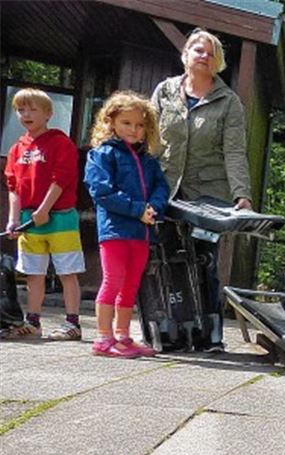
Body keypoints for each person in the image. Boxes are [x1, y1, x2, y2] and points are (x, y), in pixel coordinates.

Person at [151, 28, 252, 351]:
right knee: (164, 258)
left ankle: (211, 335)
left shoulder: (228, 101)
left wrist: (242, 194)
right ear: (186, 54)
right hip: (165, 190)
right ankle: (170, 332)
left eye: (211, 53)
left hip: (209, 195)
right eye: (198, 49)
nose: (204, 56)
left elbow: (234, 151)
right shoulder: (165, 91)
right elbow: (149, 141)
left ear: (218, 61)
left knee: (204, 261)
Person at [84, 91, 170, 358]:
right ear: (111, 122)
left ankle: (122, 336)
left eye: (140, 124)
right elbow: (102, 192)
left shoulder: (148, 160)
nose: (134, 129)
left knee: (131, 284)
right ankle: (103, 338)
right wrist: (137, 210)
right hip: (114, 231)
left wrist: (153, 207)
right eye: (127, 123)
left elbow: (161, 187)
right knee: (113, 281)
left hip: (141, 233)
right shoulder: (102, 154)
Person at [3, 88, 84, 341]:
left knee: (67, 272)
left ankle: (72, 323)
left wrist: (45, 209)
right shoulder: (16, 149)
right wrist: (14, 219)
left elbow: (62, 178)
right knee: (33, 273)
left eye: (33, 109)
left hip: (61, 218)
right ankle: (33, 321)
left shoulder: (61, 143)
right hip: (29, 222)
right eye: (21, 110)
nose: (26, 114)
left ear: (48, 114)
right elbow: (13, 186)